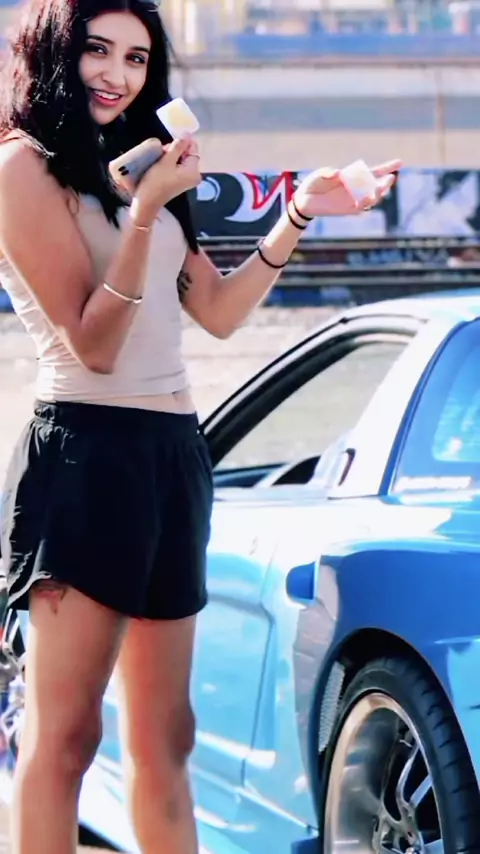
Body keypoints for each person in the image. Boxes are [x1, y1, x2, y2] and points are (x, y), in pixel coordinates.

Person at [0, 0, 401, 852]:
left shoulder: (143, 163)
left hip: (174, 457)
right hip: (84, 456)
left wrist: (298, 211)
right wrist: (146, 211)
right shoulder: (21, 169)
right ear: (55, 54)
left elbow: (216, 312)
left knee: (167, 739)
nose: (117, 74)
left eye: (137, 58)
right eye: (98, 51)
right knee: (66, 739)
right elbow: (94, 345)